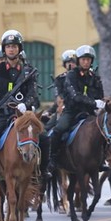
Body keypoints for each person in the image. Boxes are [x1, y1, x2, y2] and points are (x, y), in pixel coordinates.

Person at [0, 30, 39, 183]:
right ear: (4, 49)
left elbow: (33, 94)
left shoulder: (28, 72)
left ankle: (40, 170)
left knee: (43, 137)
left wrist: (26, 104)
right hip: (2, 114)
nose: (11, 49)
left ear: (19, 49)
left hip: (23, 115)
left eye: (15, 46)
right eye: (8, 46)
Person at [46, 44, 104, 173]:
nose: (86, 62)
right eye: (83, 59)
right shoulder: (71, 76)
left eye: (88, 59)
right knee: (59, 129)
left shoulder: (95, 77)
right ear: (79, 61)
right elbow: (75, 96)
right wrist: (94, 102)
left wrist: (101, 103)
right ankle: (52, 158)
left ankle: (102, 158)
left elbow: (100, 95)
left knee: (103, 130)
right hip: (72, 111)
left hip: (88, 112)